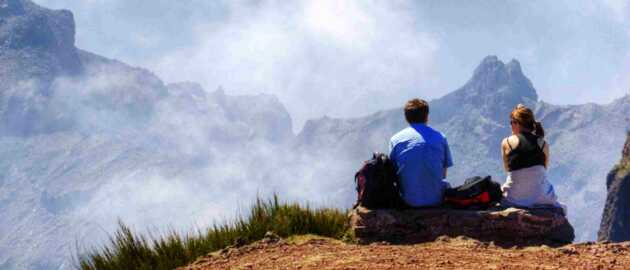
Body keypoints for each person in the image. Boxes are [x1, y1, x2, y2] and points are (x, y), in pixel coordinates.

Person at [501, 104, 567, 214]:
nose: (510, 126)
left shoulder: (506, 142)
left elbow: (507, 168)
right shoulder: (543, 144)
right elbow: (544, 168)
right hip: (541, 197)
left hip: (514, 197)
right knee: (563, 207)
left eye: (511, 122)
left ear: (516, 123)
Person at [389, 98, 454, 208]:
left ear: (406, 118)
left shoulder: (395, 140)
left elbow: (392, 172)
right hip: (436, 200)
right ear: (427, 116)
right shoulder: (440, 138)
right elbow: (443, 173)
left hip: (407, 201)